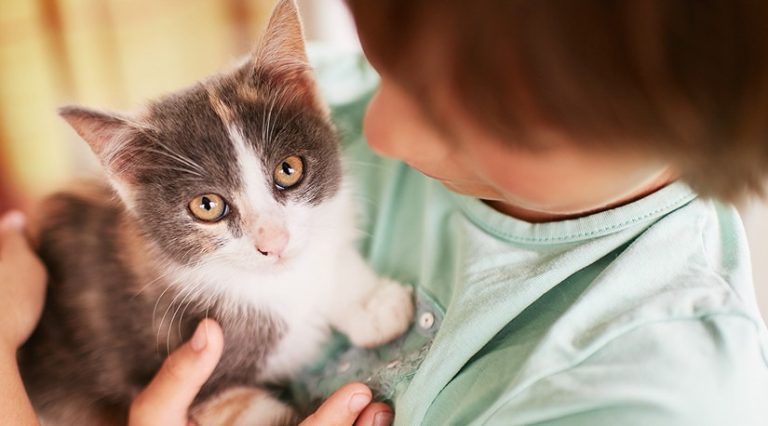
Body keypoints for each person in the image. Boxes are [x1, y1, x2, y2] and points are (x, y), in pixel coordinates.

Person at [3, 0, 768, 425]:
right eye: (384, 63)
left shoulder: (650, 396)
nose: (378, 133)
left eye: (465, 107)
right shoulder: (317, 102)